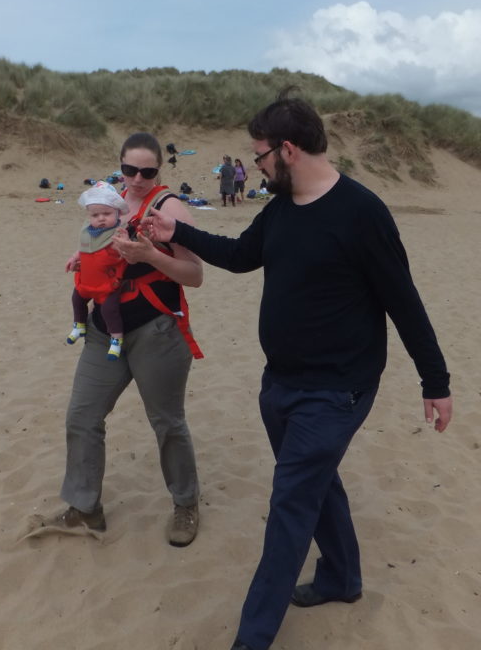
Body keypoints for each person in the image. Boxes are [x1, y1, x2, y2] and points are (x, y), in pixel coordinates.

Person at [141, 91, 453, 650]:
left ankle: (251, 639)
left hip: (337, 391)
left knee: (289, 506)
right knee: (316, 485)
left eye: (259, 156)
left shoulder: (362, 213)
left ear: (287, 150)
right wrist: (177, 233)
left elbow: (403, 300)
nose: (256, 166)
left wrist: (436, 382)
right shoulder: (281, 209)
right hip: (280, 383)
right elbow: (240, 256)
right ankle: (342, 577)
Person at [47, 132, 206, 547]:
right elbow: (96, 250)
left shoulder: (171, 208)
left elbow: (195, 275)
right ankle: (85, 508)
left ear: (159, 170)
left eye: (147, 171)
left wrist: (150, 255)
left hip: (157, 331)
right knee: (82, 416)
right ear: (119, 166)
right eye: (129, 170)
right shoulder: (108, 202)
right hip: (105, 332)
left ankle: (185, 504)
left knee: (167, 422)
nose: (136, 179)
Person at [67, 181, 130, 361]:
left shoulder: (118, 232)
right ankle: (79, 325)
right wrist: (74, 258)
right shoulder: (89, 232)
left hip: (109, 284)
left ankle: (116, 339)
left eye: (107, 213)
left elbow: (125, 252)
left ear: (117, 212)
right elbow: (83, 248)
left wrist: (125, 241)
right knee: (77, 298)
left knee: (109, 310)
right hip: (88, 281)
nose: (101, 218)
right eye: (95, 215)